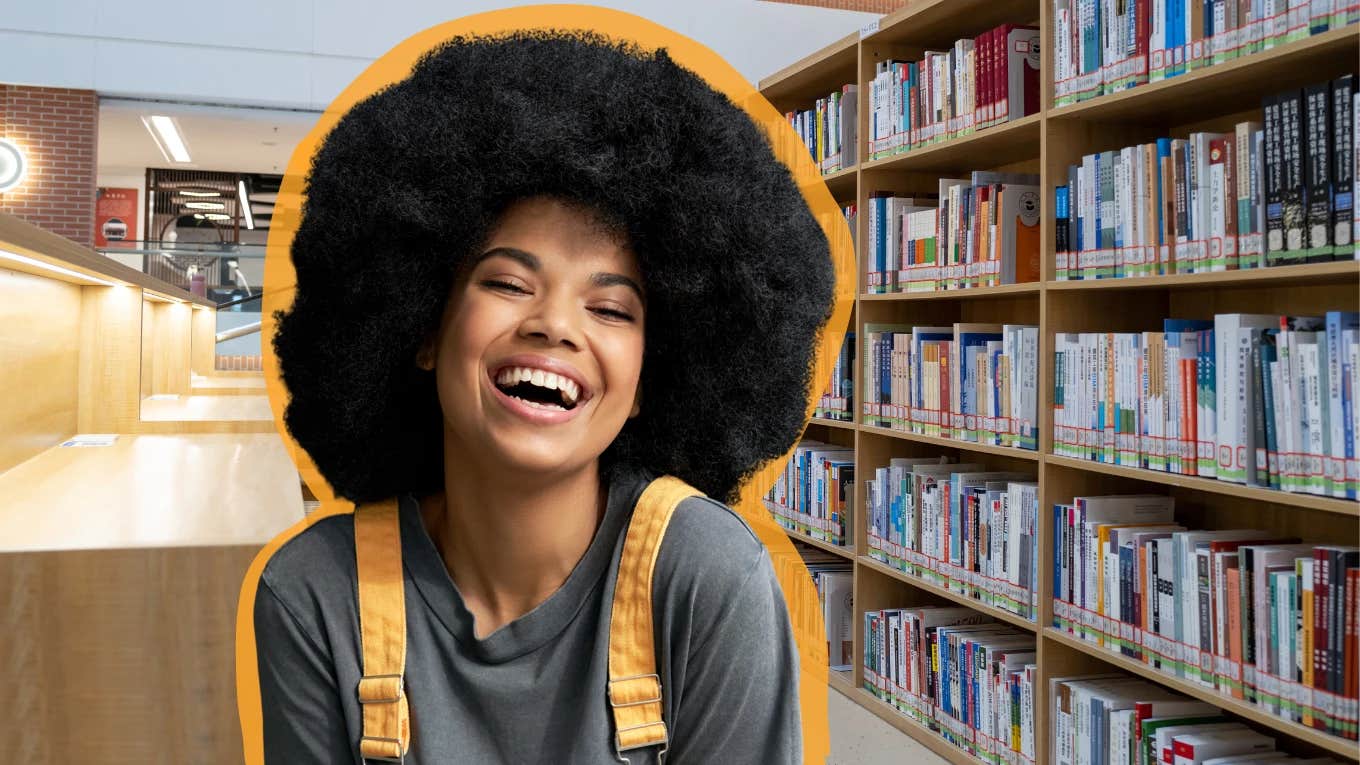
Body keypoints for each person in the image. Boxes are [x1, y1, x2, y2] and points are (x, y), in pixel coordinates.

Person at [252, 28, 834, 764]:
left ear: (649, 380)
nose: (554, 324)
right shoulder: (314, 594)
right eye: (506, 282)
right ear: (424, 326)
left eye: (612, 308)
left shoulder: (708, 578)